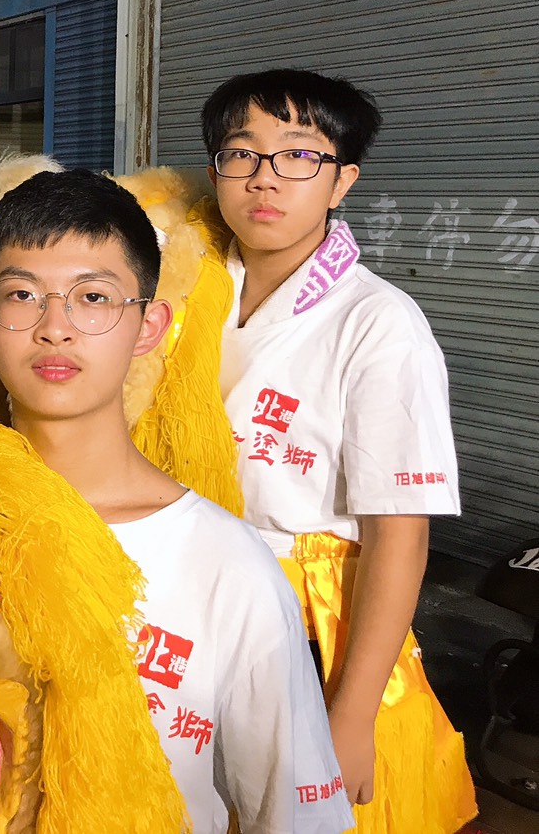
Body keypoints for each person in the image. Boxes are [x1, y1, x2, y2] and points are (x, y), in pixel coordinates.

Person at [0, 169, 353, 834]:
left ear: (149, 326)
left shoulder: (227, 566)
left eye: (93, 297)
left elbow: (294, 819)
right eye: (22, 295)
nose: (55, 328)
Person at [201, 70, 475, 834]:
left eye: (298, 155)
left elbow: (400, 534)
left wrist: (351, 714)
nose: (264, 178)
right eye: (242, 153)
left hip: (312, 628)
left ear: (342, 180)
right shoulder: (188, 298)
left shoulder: (379, 324)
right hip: (198, 606)